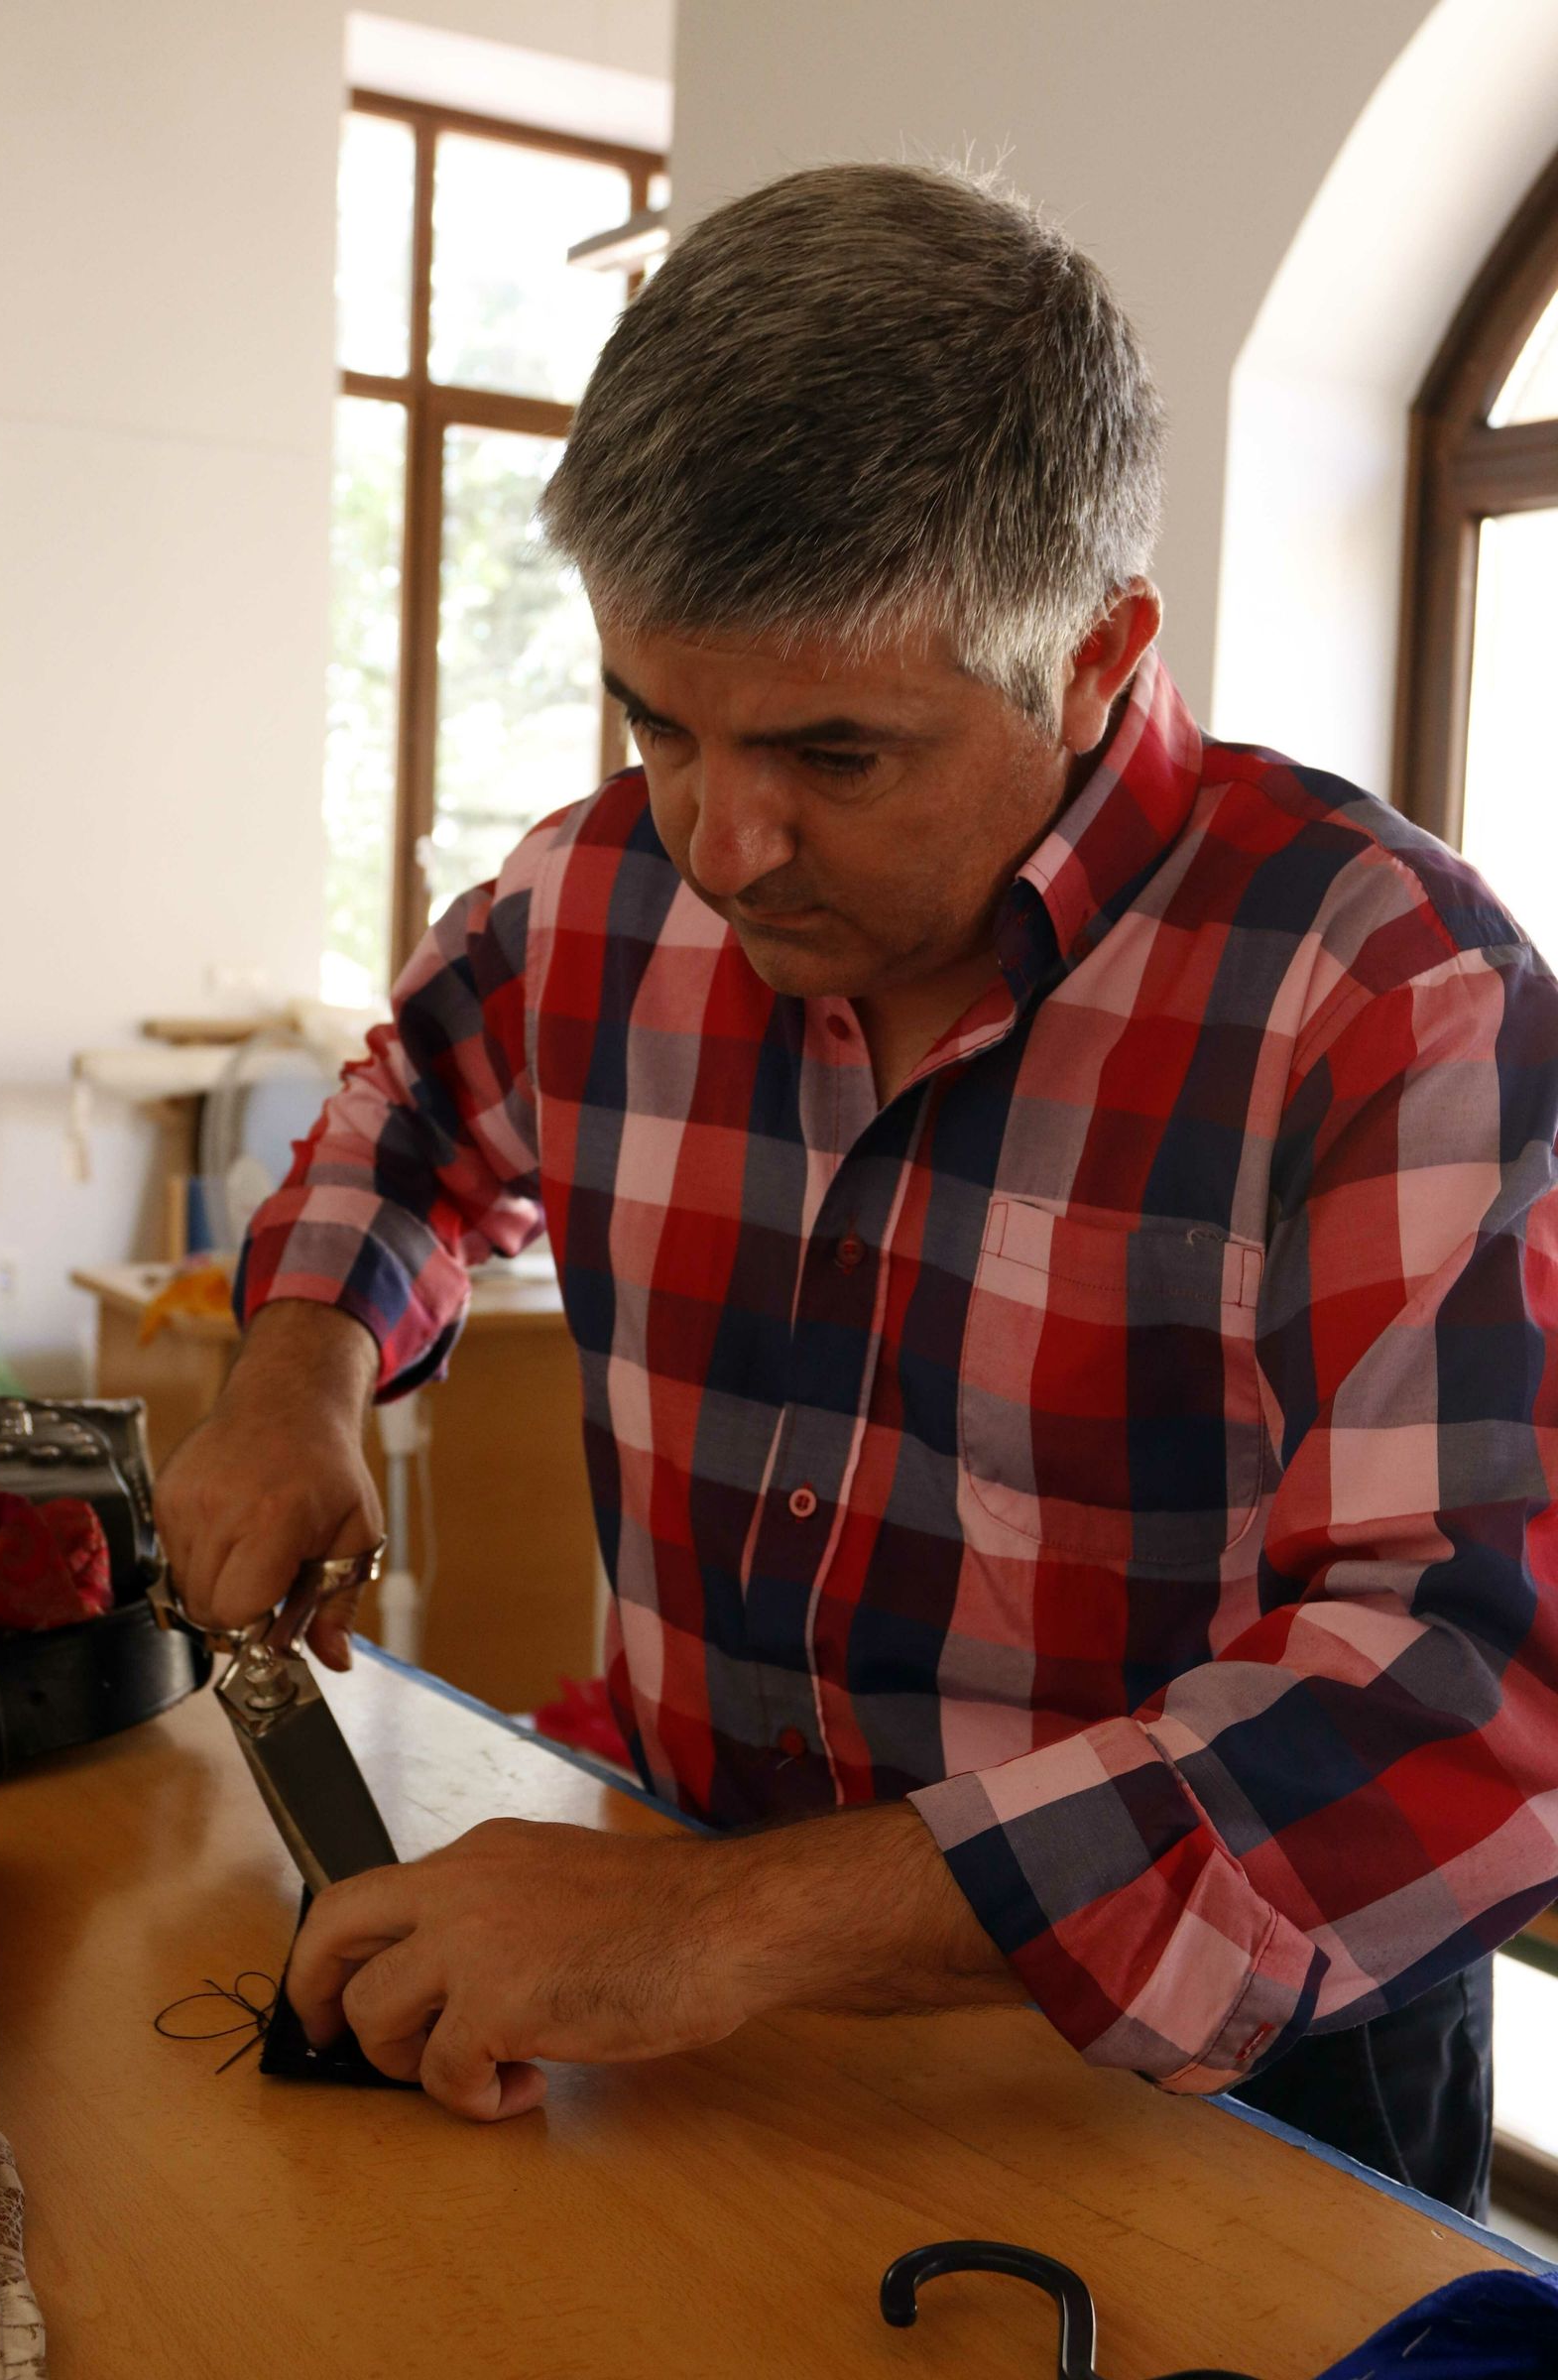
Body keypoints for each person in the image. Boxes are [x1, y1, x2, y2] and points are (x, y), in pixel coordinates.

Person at [156, 162, 1558, 2215]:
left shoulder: (1379, 993)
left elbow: (1462, 1703)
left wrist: (722, 1932)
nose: (725, 844)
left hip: (1213, 2101)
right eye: (659, 721)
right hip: (672, 2005)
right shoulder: (595, 889)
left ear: (1091, 658)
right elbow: (413, 1112)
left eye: (836, 753)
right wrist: (296, 1371)